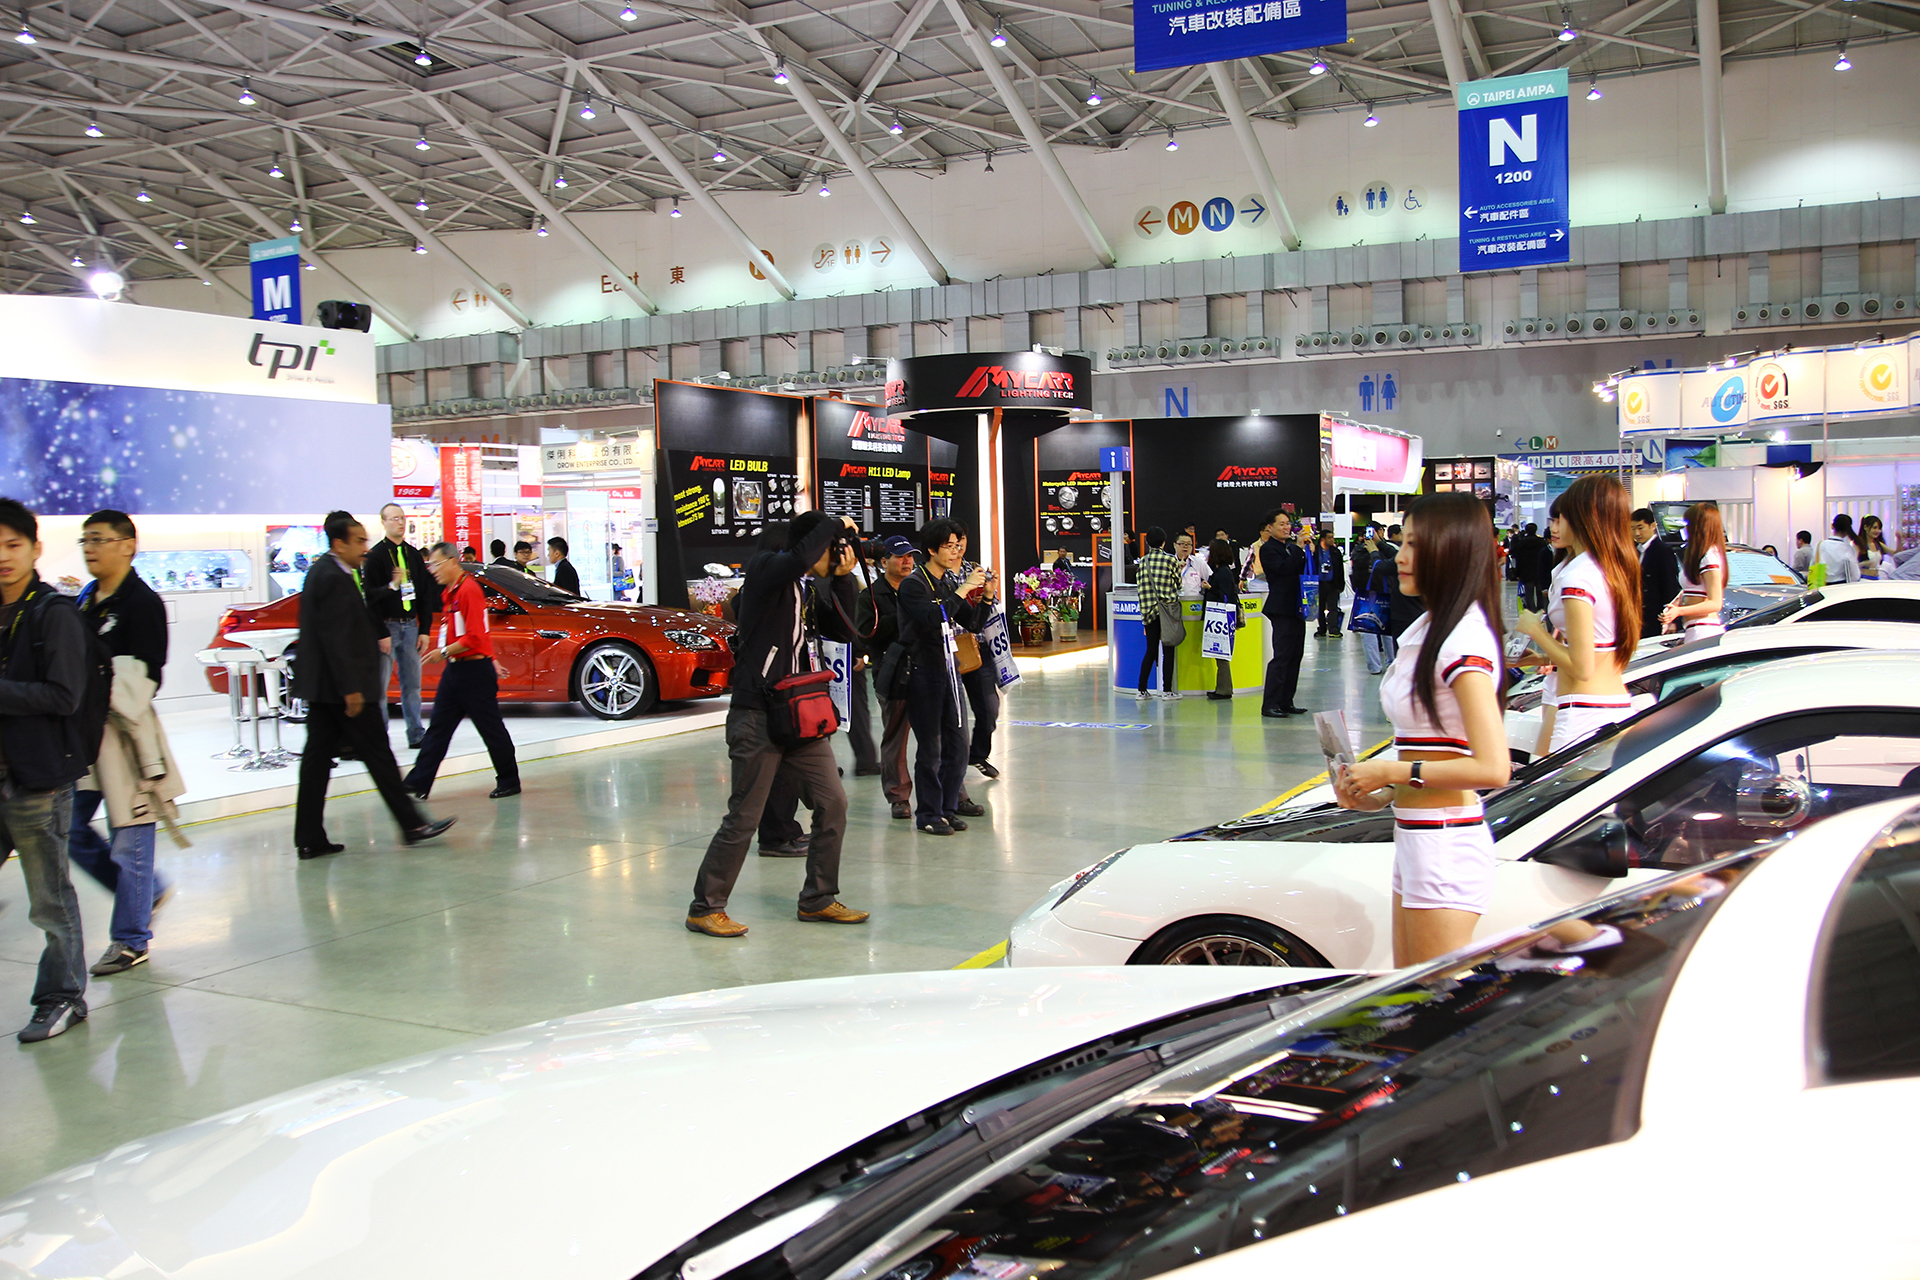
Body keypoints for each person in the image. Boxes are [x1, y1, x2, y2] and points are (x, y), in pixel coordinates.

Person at [1333, 492, 1512, 967]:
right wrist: (1377, 795)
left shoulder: (1463, 640)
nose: (1401, 557)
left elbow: (1493, 768)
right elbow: (1435, 750)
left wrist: (1392, 771)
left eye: (1414, 544)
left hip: (1445, 846)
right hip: (1418, 837)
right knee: (1410, 994)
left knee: (1433, 999)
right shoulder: (1431, 629)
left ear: (1450, 551)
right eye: (1403, 543)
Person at [686, 511, 868, 936]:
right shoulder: (765, 570)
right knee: (744, 816)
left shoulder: (806, 589)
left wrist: (843, 578)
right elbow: (798, 556)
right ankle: (705, 907)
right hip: (757, 715)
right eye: (831, 550)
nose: (835, 555)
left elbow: (845, 632)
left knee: (833, 803)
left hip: (799, 714)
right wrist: (835, 524)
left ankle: (818, 899)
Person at [293, 511, 454, 860]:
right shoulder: (331, 577)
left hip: (326, 690)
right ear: (339, 544)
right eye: (358, 541)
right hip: (342, 690)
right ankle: (411, 824)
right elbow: (336, 638)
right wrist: (351, 689)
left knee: (318, 761)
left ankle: (309, 837)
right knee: (378, 756)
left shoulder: (330, 572)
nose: (364, 548)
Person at [68, 509, 179, 977]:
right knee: (69, 828)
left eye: (99, 539)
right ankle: (144, 894)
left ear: (128, 545)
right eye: (85, 540)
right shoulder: (85, 599)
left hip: (126, 738)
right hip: (81, 737)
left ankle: (131, 939)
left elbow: (147, 674)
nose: (90, 548)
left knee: (130, 839)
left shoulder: (142, 603)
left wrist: (88, 679)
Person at [0, 498, 93, 1042]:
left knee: (49, 899)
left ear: (35, 548)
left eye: (12, 545)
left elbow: (64, 695)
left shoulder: (53, 613)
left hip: (36, 779)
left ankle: (63, 996)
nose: (2, 557)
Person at [1517, 476, 1641, 758]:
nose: (1555, 526)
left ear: (1584, 518)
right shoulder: (1609, 567)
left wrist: (1536, 631)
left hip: (1584, 712)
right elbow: (1595, 648)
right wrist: (1543, 657)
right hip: (1607, 704)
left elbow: (1582, 667)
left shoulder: (1579, 577)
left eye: (1562, 517)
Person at [404, 543, 521, 802]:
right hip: (456, 670)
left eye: (436, 564)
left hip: (474, 673)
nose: (432, 570)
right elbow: (474, 633)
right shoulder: (450, 592)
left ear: (452, 562)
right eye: (430, 565)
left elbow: (476, 635)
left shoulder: (468, 590)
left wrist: (444, 652)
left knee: (490, 728)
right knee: (438, 728)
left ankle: (509, 780)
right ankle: (418, 781)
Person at [899, 519, 988, 834]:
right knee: (931, 748)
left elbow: (972, 623)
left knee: (958, 745)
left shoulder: (946, 583)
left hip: (950, 669)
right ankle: (928, 814)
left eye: (958, 545)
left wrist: (986, 597)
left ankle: (947, 808)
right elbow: (933, 616)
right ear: (931, 549)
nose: (956, 552)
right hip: (923, 671)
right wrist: (964, 588)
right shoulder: (914, 584)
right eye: (949, 546)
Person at [366, 502, 441, 751]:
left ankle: (416, 733)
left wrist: (424, 630)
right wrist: (381, 633)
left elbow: (424, 595)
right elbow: (370, 599)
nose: (400, 523)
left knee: (412, 685)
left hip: (410, 625)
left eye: (402, 518)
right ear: (384, 522)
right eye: (394, 519)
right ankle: (379, 737)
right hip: (387, 626)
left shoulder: (413, 555)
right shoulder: (376, 556)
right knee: (380, 687)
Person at [857, 536, 920, 820]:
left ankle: (954, 793)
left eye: (910, 556)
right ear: (884, 562)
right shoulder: (871, 596)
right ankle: (898, 797)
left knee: (938, 737)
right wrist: (903, 614)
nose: (907, 561)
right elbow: (865, 633)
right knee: (895, 738)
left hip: (926, 669)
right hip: (893, 674)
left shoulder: (921, 588)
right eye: (900, 556)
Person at [953, 532, 1003, 779]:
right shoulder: (933, 577)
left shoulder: (975, 569)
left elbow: (990, 609)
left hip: (977, 646)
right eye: (950, 543)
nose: (957, 547)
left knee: (989, 709)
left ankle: (978, 755)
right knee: (951, 715)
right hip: (947, 648)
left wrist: (989, 594)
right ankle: (952, 764)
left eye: (961, 540)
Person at [1257, 510, 1310, 718]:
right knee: (1282, 656)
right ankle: (1270, 704)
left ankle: (1286, 701)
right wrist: (1298, 549)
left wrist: (1305, 550)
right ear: (1269, 527)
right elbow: (1284, 569)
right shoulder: (1268, 549)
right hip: (1281, 608)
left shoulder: (1291, 548)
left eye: (1288, 523)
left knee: (1295, 655)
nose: (1286, 527)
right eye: (1281, 524)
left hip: (1297, 607)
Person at [1661, 501, 1728, 642]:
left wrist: (1679, 611)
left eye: (1688, 524)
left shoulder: (1710, 557)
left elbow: (1715, 603)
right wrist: (1676, 604)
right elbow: (1693, 589)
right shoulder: (1703, 556)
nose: (1685, 529)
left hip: (1703, 630)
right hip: (1696, 628)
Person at [1134, 527, 1181, 702]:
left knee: (1151, 650)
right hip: (1167, 611)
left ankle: (1142, 689)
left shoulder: (1142, 562)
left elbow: (1140, 586)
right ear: (1164, 542)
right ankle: (1167, 691)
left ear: (1147, 542)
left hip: (1149, 612)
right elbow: (1178, 584)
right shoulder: (1171, 560)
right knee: (1168, 649)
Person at [1351, 527, 1400, 675]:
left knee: (1369, 631)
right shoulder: (1387, 548)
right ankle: (1391, 662)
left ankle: (1375, 666)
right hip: (1383, 592)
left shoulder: (1358, 551)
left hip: (1366, 595)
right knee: (1386, 631)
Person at [1630, 507, 1682, 640]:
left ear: (1652, 526)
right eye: (1632, 529)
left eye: (1640, 528)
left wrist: (1672, 619)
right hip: (1636, 615)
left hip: (1655, 615)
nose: (1637, 533)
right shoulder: (1633, 551)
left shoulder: (1662, 550)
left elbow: (1670, 585)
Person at [1202, 538, 1241, 700]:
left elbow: (1224, 596)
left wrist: (1210, 588)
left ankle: (1224, 689)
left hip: (1221, 617)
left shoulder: (1222, 572)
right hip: (1223, 617)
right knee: (1221, 655)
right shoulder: (1223, 571)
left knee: (1222, 655)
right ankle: (1222, 687)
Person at [1817, 514, 1863, 585]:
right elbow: (1855, 574)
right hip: (1841, 585)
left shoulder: (1821, 545)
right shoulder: (1848, 548)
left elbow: (1815, 564)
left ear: (1832, 526)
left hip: (1822, 584)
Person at [1314, 530, 1344, 638]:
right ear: (1323, 539)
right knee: (1320, 607)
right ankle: (1322, 628)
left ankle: (1333, 629)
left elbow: (1340, 569)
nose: (1332, 540)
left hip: (1332, 583)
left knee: (1333, 607)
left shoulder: (1335, 552)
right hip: (1319, 584)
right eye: (1329, 537)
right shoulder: (1315, 551)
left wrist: (1341, 584)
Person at [1860, 515, 1893, 580]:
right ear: (1865, 527)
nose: (1877, 531)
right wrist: (1863, 564)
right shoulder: (1858, 544)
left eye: (1879, 528)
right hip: (1863, 579)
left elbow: (1895, 554)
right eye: (1874, 528)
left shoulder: (1878, 544)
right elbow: (1852, 565)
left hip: (1876, 578)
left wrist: (1899, 539)